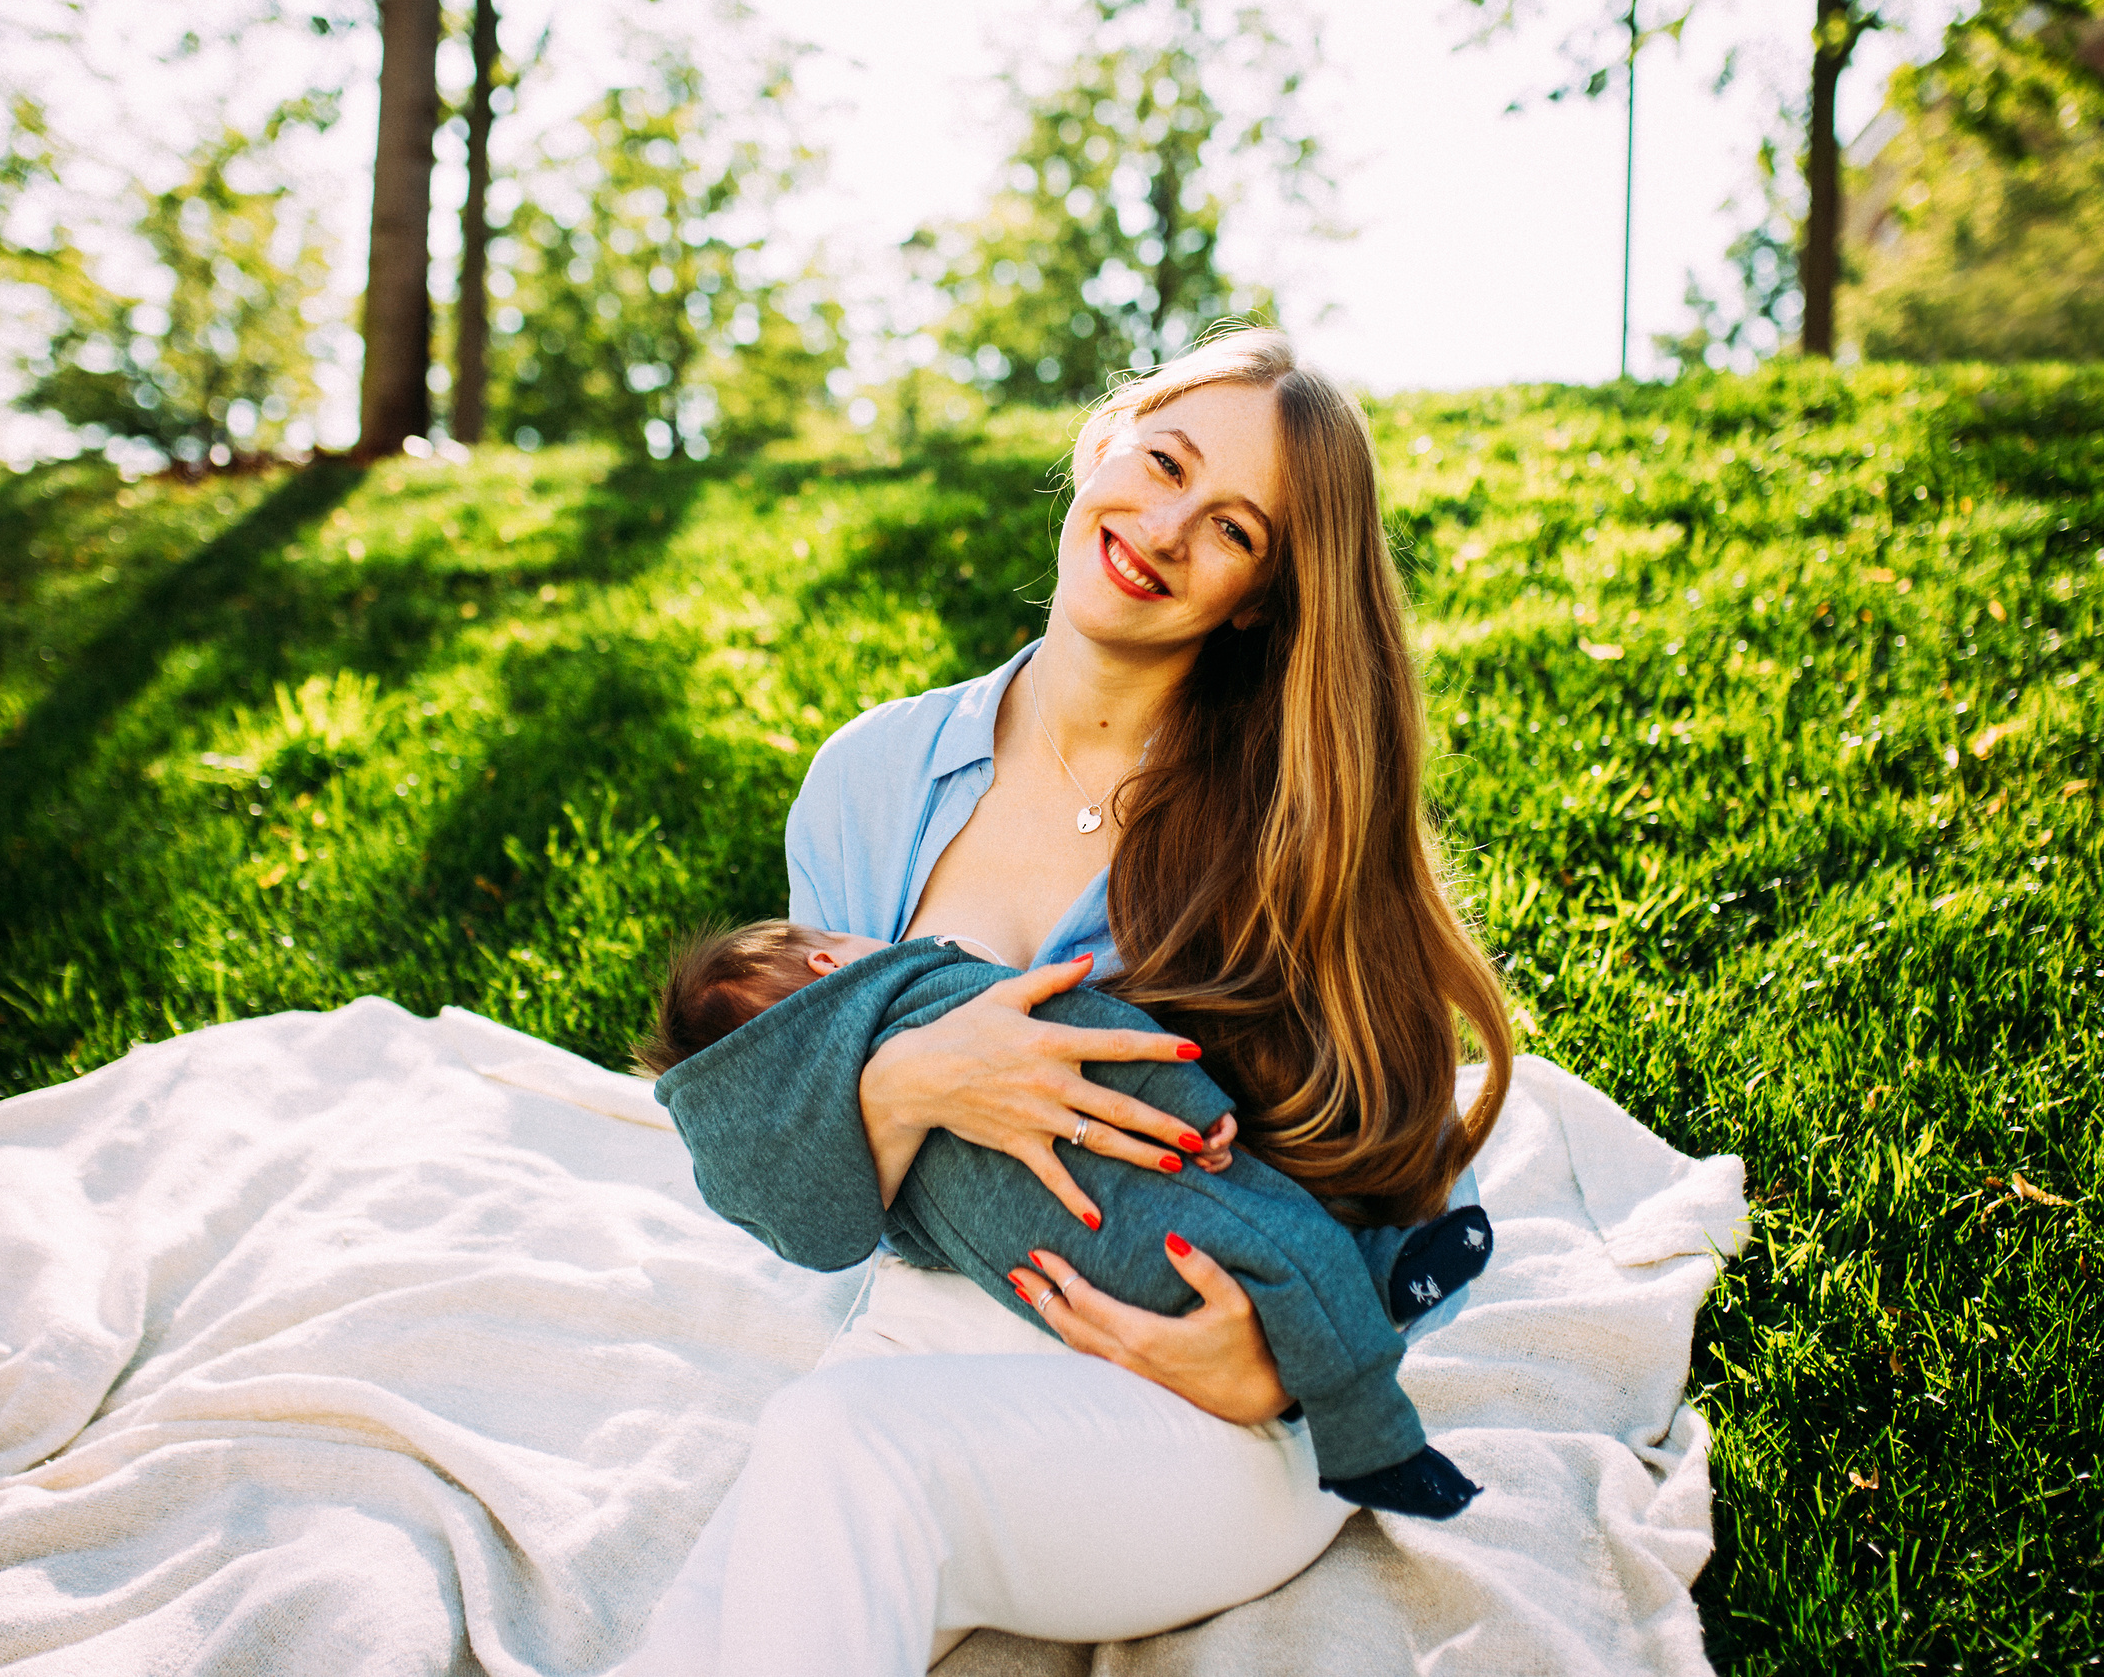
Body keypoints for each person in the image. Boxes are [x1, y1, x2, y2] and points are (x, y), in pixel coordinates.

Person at [618, 327, 1513, 1676]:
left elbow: (1403, 1186)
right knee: (698, 1638)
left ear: (1259, 600)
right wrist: (915, 1080)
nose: (1159, 529)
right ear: (1105, 443)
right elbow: (796, 1206)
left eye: (1231, 531)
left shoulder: (1290, 831)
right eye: (1160, 463)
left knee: (837, 1449)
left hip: (1219, 1405)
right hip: (934, 1331)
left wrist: (1271, 1369)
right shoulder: (864, 783)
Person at [636, 920, 1495, 1513]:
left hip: (1065, 1288)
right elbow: (1099, 1033)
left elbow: (904, 1239)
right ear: (830, 968)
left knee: (1287, 1269)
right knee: (1287, 1245)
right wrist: (1194, 1110)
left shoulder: (847, 1160)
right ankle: (1376, 1443)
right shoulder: (933, 988)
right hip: (1148, 1202)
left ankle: (1378, 1273)